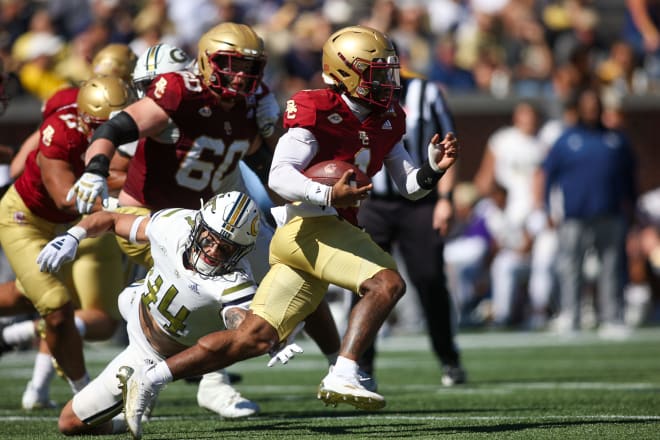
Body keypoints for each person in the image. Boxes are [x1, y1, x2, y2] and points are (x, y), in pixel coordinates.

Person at [106, 24, 458, 439]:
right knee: (386, 283)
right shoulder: (316, 107)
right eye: (375, 73)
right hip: (310, 225)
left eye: (388, 72)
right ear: (345, 72)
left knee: (251, 338)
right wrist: (327, 192)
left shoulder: (390, 119)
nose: (386, 82)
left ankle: (152, 378)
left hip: (321, 229)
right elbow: (279, 176)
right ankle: (343, 370)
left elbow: (409, 186)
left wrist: (432, 171)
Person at [66, 24, 341, 418]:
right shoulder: (178, 93)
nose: (241, 76)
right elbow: (116, 128)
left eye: (250, 67)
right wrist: (95, 168)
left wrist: (276, 144)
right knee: (212, 296)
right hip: (154, 219)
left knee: (296, 267)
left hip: (217, 225)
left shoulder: (254, 101)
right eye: (230, 65)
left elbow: (266, 165)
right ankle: (207, 381)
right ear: (207, 62)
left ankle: (342, 366)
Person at [36, 191, 291, 435]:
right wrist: (74, 236)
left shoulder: (234, 281)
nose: (212, 251)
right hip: (136, 301)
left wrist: (261, 332)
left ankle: (135, 407)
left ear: (240, 252)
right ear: (198, 225)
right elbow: (111, 219)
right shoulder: (175, 224)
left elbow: (239, 319)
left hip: (150, 354)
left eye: (225, 249)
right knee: (120, 301)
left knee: (69, 423)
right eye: (209, 239)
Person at [0, 76, 135, 408]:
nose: (118, 134)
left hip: (68, 227)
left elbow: (117, 173)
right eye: (111, 126)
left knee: (27, 296)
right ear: (89, 121)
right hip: (27, 219)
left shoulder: (111, 122)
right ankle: (85, 400)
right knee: (57, 307)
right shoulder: (62, 133)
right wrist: (124, 207)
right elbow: (64, 199)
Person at [350, 67, 466, 387]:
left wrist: (446, 198)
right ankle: (358, 364)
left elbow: (449, 147)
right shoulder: (352, 96)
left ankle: (448, 358)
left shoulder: (426, 93)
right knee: (363, 283)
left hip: (420, 201)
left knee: (429, 279)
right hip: (371, 202)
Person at [536, 87, 637, 338]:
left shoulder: (616, 139)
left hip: (610, 212)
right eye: (587, 105)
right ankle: (571, 315)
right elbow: (548, 176)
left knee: (611, 267)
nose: (592, 110)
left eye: (595, 105)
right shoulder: (566, 139)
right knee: (571, 267)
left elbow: (629, 177)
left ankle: (612, 317)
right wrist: (548, 208)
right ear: (579, 109)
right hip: (575, 215)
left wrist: (632, 206)